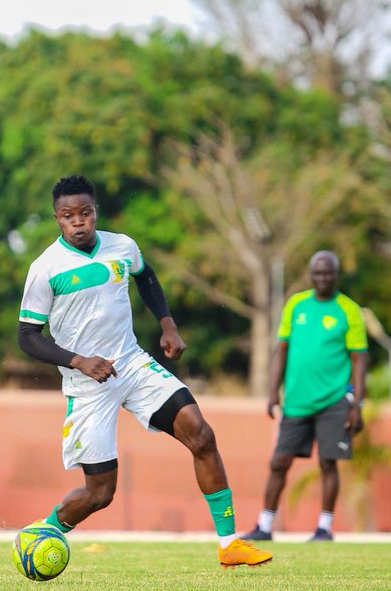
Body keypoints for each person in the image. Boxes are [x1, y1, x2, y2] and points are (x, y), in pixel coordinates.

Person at [16, 174, 271, 568]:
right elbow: (27, 337)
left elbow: (146, 277)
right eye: (69, 216)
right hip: (87, 386)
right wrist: (80, 361)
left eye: (85, 212)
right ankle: (41, 533)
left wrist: (167, 324)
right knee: (100, 494)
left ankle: (230, 543)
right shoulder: (46, 268)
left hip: (132, 364)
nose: (79, 222)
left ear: (95, 211)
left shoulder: (122, 246)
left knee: (201, 435)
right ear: (57, 219)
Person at [242, 250, 367, 543]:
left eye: (329, 273)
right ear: (311, 275)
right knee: (279, 462)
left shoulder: (348, 310)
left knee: (327, 462)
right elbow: (281, 350)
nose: (323, 278)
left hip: (334, 400)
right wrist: (273, 392)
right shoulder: (296, 304)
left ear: (336, 275)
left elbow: (359, 360)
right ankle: (265, 525)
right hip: (297, 401)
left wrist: (357, 404)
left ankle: (324, 528)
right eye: (318, 273)